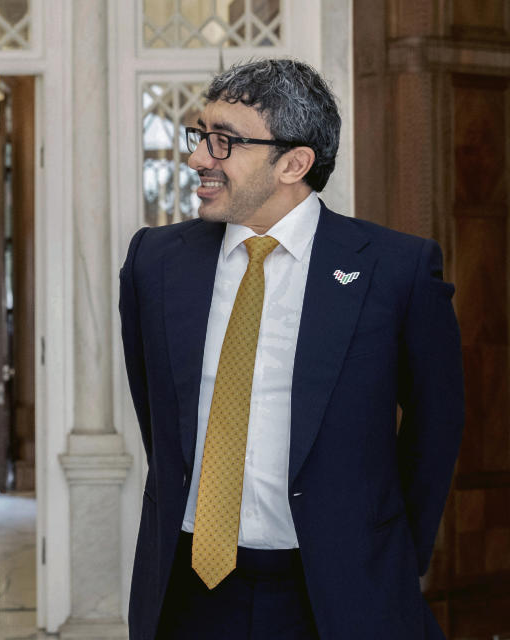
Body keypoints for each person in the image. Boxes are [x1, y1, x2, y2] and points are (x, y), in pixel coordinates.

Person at [120, 58, 463, 640]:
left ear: (294, 163)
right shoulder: (154, 262)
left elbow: (436, 429)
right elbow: (159, 418)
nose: (199, 157)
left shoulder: (396, 269)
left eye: (224, 141)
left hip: (336, 596)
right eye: (201, 136)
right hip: (187, 596)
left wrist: (391, 558)